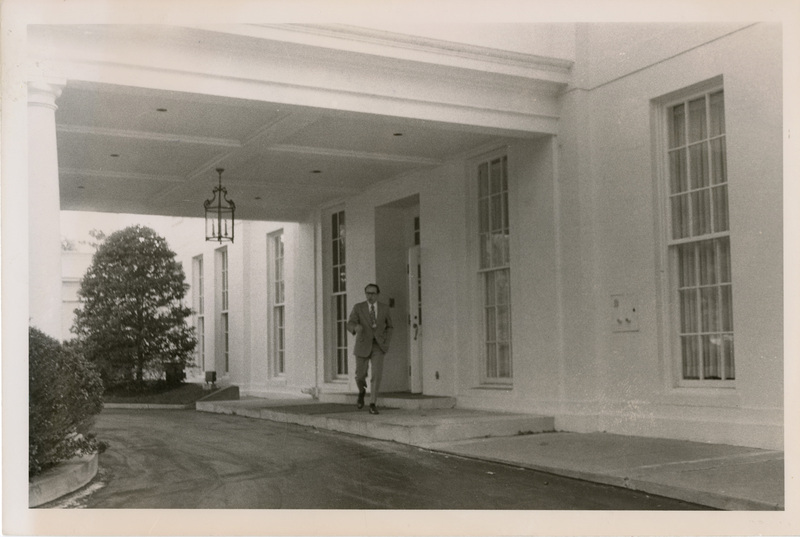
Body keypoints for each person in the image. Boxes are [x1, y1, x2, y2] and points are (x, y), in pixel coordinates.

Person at [347, 283, 393, 414]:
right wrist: (355, 328)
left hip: (378, 345)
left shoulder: (384, 308)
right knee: (360, 375)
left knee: (376, 375)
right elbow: (350, 323)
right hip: (362, 344)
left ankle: (373, 403)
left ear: (378, 294)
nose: (370, 296)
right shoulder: (359, 307)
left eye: (373, 293)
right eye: (367, 293)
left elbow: (390, 326)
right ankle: (361, 391)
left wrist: (386, 340)